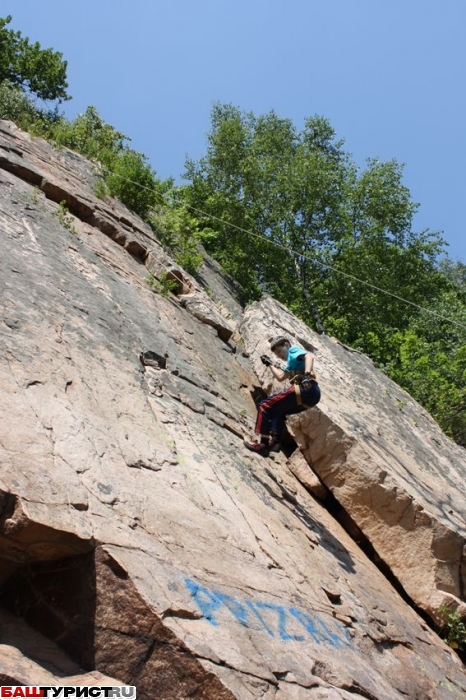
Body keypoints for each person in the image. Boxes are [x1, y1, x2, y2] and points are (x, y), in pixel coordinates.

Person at [244, 336, 321, 456]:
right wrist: (270, 364)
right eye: (277, 355)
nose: (279, 355)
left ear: (286, 344)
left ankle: (263, 445)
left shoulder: (293, 351)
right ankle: (275, 442)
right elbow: (280, 377)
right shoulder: (291, 364)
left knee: (264, 406)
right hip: (311, 397)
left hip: (305, 389)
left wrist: (307, 375)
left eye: (279, 351)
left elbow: (309, 356)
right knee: (278, 411)